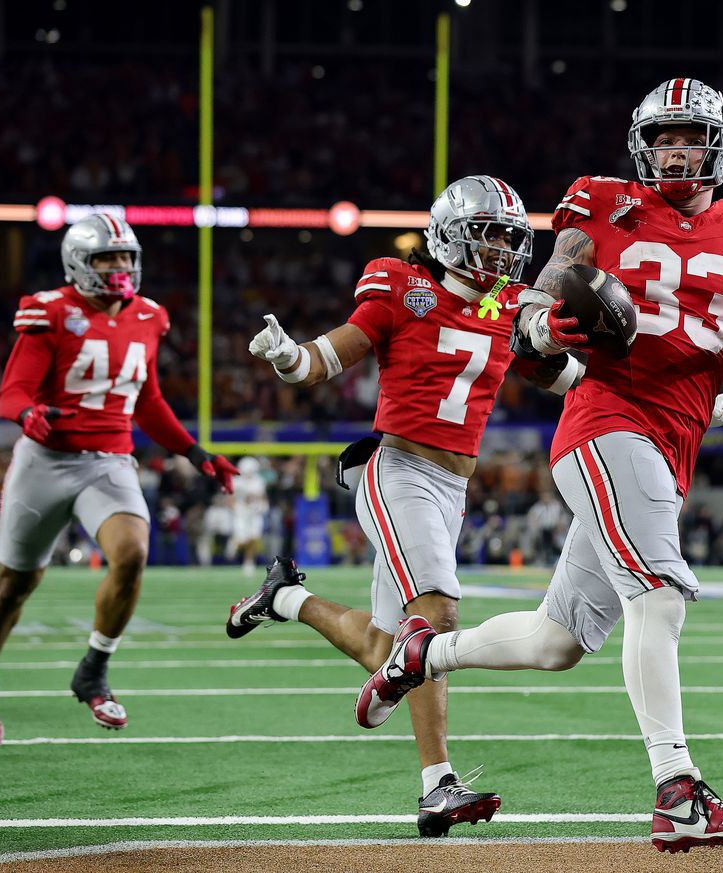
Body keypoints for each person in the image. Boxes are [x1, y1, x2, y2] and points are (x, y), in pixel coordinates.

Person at [358, 78, 723, 853]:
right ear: (641, 144)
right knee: (658, 594)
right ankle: (678, 792)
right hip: (608, 422)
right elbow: (539, 297)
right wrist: (545, 323)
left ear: (720, 146)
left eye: (688, 136)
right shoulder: (599, 204)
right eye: (662, 137)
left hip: (674, 439)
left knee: (557, 640)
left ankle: (423, 652)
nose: (675, 150)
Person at [229, 176, 584, 837]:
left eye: (513, 236)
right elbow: (322, 360)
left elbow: (566, 378)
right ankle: (437, 785)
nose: (506, 248)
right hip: (399, 469)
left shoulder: (507, 307)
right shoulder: (401, 287)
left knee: (384, 645)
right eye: (492, 232)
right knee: (437, 614)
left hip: (453, 488)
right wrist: (285, 356)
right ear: (450, 233)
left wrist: (669, 400)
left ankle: (280, 599)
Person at [0, 213, 238, 748]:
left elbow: (149, 401)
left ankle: (93, 668)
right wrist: (27, 416)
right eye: (107, 258)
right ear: (78, 264)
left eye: (126, 257)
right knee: (14, 585)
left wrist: (195, 452)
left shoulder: (150, 316)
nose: (119, 268)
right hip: (44, 461)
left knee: (133, 550)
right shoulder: (50, 311)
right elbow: (11, 393)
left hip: (109, 461)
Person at [228, 457, 269, 577]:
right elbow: (230, 500)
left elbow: (262, 498)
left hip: (255, 513)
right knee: (242, 539)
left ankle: (249, 562)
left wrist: (263, 506)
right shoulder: (236, 481)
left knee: (254, 538)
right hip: (241, 513)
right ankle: (235, 543)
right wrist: (237, 509)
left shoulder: (259, 481)